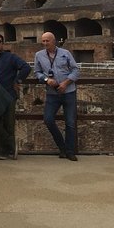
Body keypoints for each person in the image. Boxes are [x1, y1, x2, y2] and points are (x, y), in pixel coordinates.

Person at [34, 31, 80, 161]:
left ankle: (70, 151)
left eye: (47, 41)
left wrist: (65, 83)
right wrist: (46, 80)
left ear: (54, 41)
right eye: (43, 41)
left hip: (68, 92)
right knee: (48, 119)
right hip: (52, 93)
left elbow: (76, 70)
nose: (45, 43)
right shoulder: (39, 55)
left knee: (70, 123)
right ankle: (62, 147)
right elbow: (37, 72)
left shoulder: (66, 53)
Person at [0, 33, 31, 160]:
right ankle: (10, 144)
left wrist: (17, 80)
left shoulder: (10, 57)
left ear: (2, 44)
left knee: (8, 123)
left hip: (8, 94)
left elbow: (26, 68)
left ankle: (5, 151)